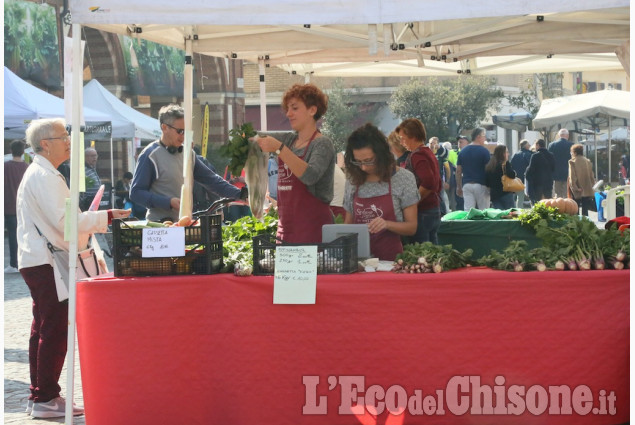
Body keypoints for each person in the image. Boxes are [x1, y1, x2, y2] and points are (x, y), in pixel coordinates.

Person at [16, 118, 131, 418]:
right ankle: (45, 397)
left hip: (40, 258)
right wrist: (104, 217)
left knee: (43, 327)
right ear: (45, 144)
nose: (69, 140)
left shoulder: (45, 172)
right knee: (53, 328)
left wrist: (96, 218)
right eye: (62, 135)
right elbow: (65, 223)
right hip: (46, 260)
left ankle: (40, 394)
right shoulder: (44, 175)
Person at [130, 104, 245, 222]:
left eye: (186, 131)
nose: (183, 136)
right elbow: (136, 193)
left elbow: (212, 180)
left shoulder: (189, 154)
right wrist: (168, 202)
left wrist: (242, 195)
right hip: (160, 227)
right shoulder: (149, 155)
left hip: (186, 223)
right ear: (164, 127)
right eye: (180, 131)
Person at [255, 83, 336, 243]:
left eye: (295, 108)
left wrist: (279, 148)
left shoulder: (322, 144)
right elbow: (256, 137)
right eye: (288, 109)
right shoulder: (290, 140)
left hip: (313, 231)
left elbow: (310, 175)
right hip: (285, 230)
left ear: (312, 110)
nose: (289, 114)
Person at [343, 123, 419, 260]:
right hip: (358, 261)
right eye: (358, 162)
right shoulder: (352, 181)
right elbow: (347, 225)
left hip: (391, 260)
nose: (364, 168)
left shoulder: (404, 178)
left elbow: (412, 227)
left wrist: (387, 224)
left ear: (381, 154)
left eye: (369, 161)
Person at [397, 118, 442, 244]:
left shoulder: (417, 155)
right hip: (433, 209)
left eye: (402, 138)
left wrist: (412, 204)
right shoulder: (427, 152)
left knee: (422, 254)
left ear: (413, 136)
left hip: (423, 212)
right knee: (432, 254)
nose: (401, 142)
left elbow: (428, 182)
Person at [5, 140, 30, 273]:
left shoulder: (5, 167)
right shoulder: (27, 167)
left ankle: (13, 264)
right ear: (23, 151)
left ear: (11, 150)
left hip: (8, 206)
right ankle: (22, 262)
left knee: (13, 236)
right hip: (24, 207)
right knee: (23, 235)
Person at [456, 127, 491, 211]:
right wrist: (490, 186)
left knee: (468, 212)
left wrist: (459, 186)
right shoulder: (484, 151)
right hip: (481, 185)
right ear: (478, 137)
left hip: (467, 185)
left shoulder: (463, 151)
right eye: (484, 136)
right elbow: (488, 170)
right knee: (484, 211)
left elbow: (458, 171)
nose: (485, 138)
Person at [485, 145, 517, 209]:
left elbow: (487, 182)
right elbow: (512, 175)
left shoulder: (490, 165)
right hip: (506, 193)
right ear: (503, 154)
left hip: (494, 195)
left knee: (499, 215)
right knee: (510, 214)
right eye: (507, 152)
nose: (508, 154)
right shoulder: (505, 164)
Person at [568, 143, 596, 216]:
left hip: (578, 189)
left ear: (575, 152)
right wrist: (591, 185)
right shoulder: (587, 161)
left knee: (576, 209)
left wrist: (575, 188)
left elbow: (572, 177)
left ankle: (577, 224)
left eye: (572, 152)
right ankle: (585, 223)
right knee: (585, 209)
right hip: (587, 188)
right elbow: (591, 175)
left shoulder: (572, 162)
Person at [525, 139, 555, 205]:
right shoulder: (551, 155)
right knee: (548, 204)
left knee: (538, 204)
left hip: (538, 184)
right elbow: (553, 168)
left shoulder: (535, 156)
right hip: (548, 183)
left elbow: (531, 170)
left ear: (538, 145)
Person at [548, 128, 573, 198]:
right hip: (568, 172)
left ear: (559, 135)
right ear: (567, 136)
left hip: (556, 173)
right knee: (566, 193)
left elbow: (549, 159)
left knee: (557, 193)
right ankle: (566, 207)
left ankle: (559, 207)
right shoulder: (571, 145)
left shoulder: (551, 145)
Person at [510, 139, 533, 208]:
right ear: (526, 146)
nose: (529, 146)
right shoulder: (529, 154)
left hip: (517, 179)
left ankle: (519, 210)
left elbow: (511, 166)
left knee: (520, 197)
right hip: (528, 179)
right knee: (532, 197)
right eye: (529, 145)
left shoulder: (515, 155)